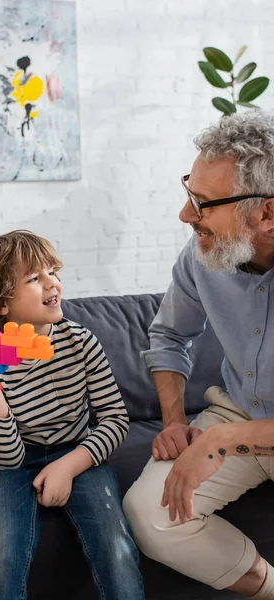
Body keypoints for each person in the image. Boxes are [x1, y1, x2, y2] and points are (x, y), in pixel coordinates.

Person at [0, 230, 145, 600]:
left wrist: (68, 466)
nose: (53, 282)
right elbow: (7, 458)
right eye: (35, 278)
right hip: (9, 463)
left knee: (117, 550)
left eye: (53, 271)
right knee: (2, 557)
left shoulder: (81, 342)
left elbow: (115, 420)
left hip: (78, 451)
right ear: (2, 305)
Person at [122, 111, 274, 600]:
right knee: (152, 515)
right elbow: (168, 335)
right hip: (239, 409)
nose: (186, 215)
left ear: (267, 213)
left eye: (204, 203)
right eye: (190, 191)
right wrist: (172, 421)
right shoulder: (202, 254)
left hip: (239, 428)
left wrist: (224, 440)